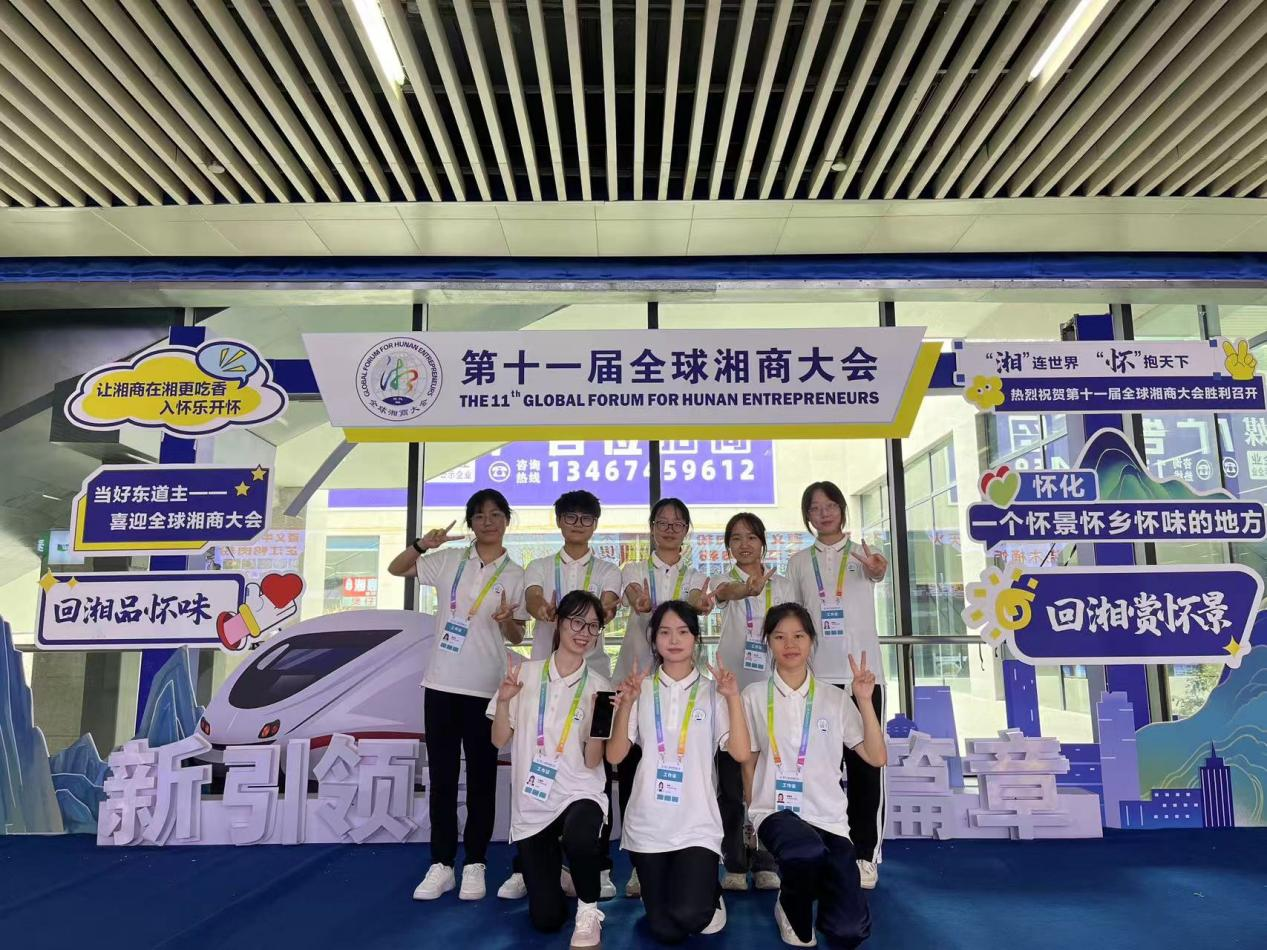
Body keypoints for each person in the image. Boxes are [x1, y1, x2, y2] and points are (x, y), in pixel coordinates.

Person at [388, 489, 525, 902]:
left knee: (482, 779)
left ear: (506, 521)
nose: (488, 522)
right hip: (441, 684)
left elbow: (517, 634)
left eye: (496, 514)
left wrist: (506, 621)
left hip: (486, 687)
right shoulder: (449, 560)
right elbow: (397, 569)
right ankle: (442, 864)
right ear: (470, 523)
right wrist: (421, 544)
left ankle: (476, 862)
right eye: (479, 515)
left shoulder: (516, 574)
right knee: (443, 778)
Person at [499, 490, 623, 902]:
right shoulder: (539, 565)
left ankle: (598, 866)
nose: (578, 524)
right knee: (533, 764)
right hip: (544, 676)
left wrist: (600, 612)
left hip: (591, 678)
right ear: (558, 521)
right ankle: (528, 867)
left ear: (595, 524)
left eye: (586, 518)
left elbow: (608, 603)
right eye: (570, 516)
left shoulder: (607, 569)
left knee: (593, 768)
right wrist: (543, 610)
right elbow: (533, 597)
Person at [742, 603, 887, 948]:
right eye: (779, 637)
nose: (789, 644)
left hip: (829, 818)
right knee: (805, 851)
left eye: (798, 636)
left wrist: (864, 700)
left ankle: (813, 885)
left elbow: (876, 757)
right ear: (768, 642)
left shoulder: (835, 698)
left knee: (849, 931)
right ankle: (791, 906)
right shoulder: (753, 696)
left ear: (811, 641)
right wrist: (753, 813)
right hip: (775, 811)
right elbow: (749, 761)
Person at [606, 600, 749, 944]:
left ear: (696, 638)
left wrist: (732, 698)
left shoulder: (713, 691)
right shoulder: (640, 689)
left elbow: (741, 752)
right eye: (665, 632)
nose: (674, 640)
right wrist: (626, 705)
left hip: (696, 823)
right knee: (666, 932)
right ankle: (672, 891)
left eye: (683, 632)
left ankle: (710, 895)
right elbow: (615, 755)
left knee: (692, 916)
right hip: (649, 822)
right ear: (654, 639)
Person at [488, 590, 613, 948]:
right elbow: (499, 740)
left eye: (593, 626)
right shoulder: (524, 674)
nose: (584, 632)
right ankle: (560, 874)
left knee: (580, 838)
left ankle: (588, 913)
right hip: (534, 800)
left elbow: (593, 762)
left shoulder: (601, 688)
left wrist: (598, 721)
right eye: (577, 622)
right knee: (546, 919)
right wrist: (504, 702)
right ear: (559, 622)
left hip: (579, 791)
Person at [786, 481, 889, 890]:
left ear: (842, 509)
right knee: (818, 770)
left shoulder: (865, 554)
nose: (824, 513)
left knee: (866, 770)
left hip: (864, 677)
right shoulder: (799, 562)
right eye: (815, 507)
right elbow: (793, 617)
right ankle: (823, 848)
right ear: (807, 516)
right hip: (817, 680)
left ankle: (865, 855)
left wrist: (876, 568)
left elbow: (879, 572)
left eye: (830, 505)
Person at [611, 498, 713, 898]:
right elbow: (634, 592)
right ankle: (641, 861)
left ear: (686, 530)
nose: (669, 529)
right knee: (631, 771)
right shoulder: (633, 569)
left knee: (679, 765)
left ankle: (685, 848)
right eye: (662, 522)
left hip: (681, 688)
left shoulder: (696, 575)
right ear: (652, 527)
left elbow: (696, 598)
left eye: (677, 523)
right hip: (636, 683)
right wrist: (638, 600)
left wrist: (699, 604)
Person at [710, 512, 795, 892]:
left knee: (768, 779)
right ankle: (734, 861)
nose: (744, 544)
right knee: (730, 783)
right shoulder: (721, 580)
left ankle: (767, 859)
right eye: (736, 538)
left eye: (751, 537)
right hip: (731, 691)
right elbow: (722, 594)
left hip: (772, 692)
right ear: (728, 546)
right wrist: (746, 590)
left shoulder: (784, 584)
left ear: (763, 541)